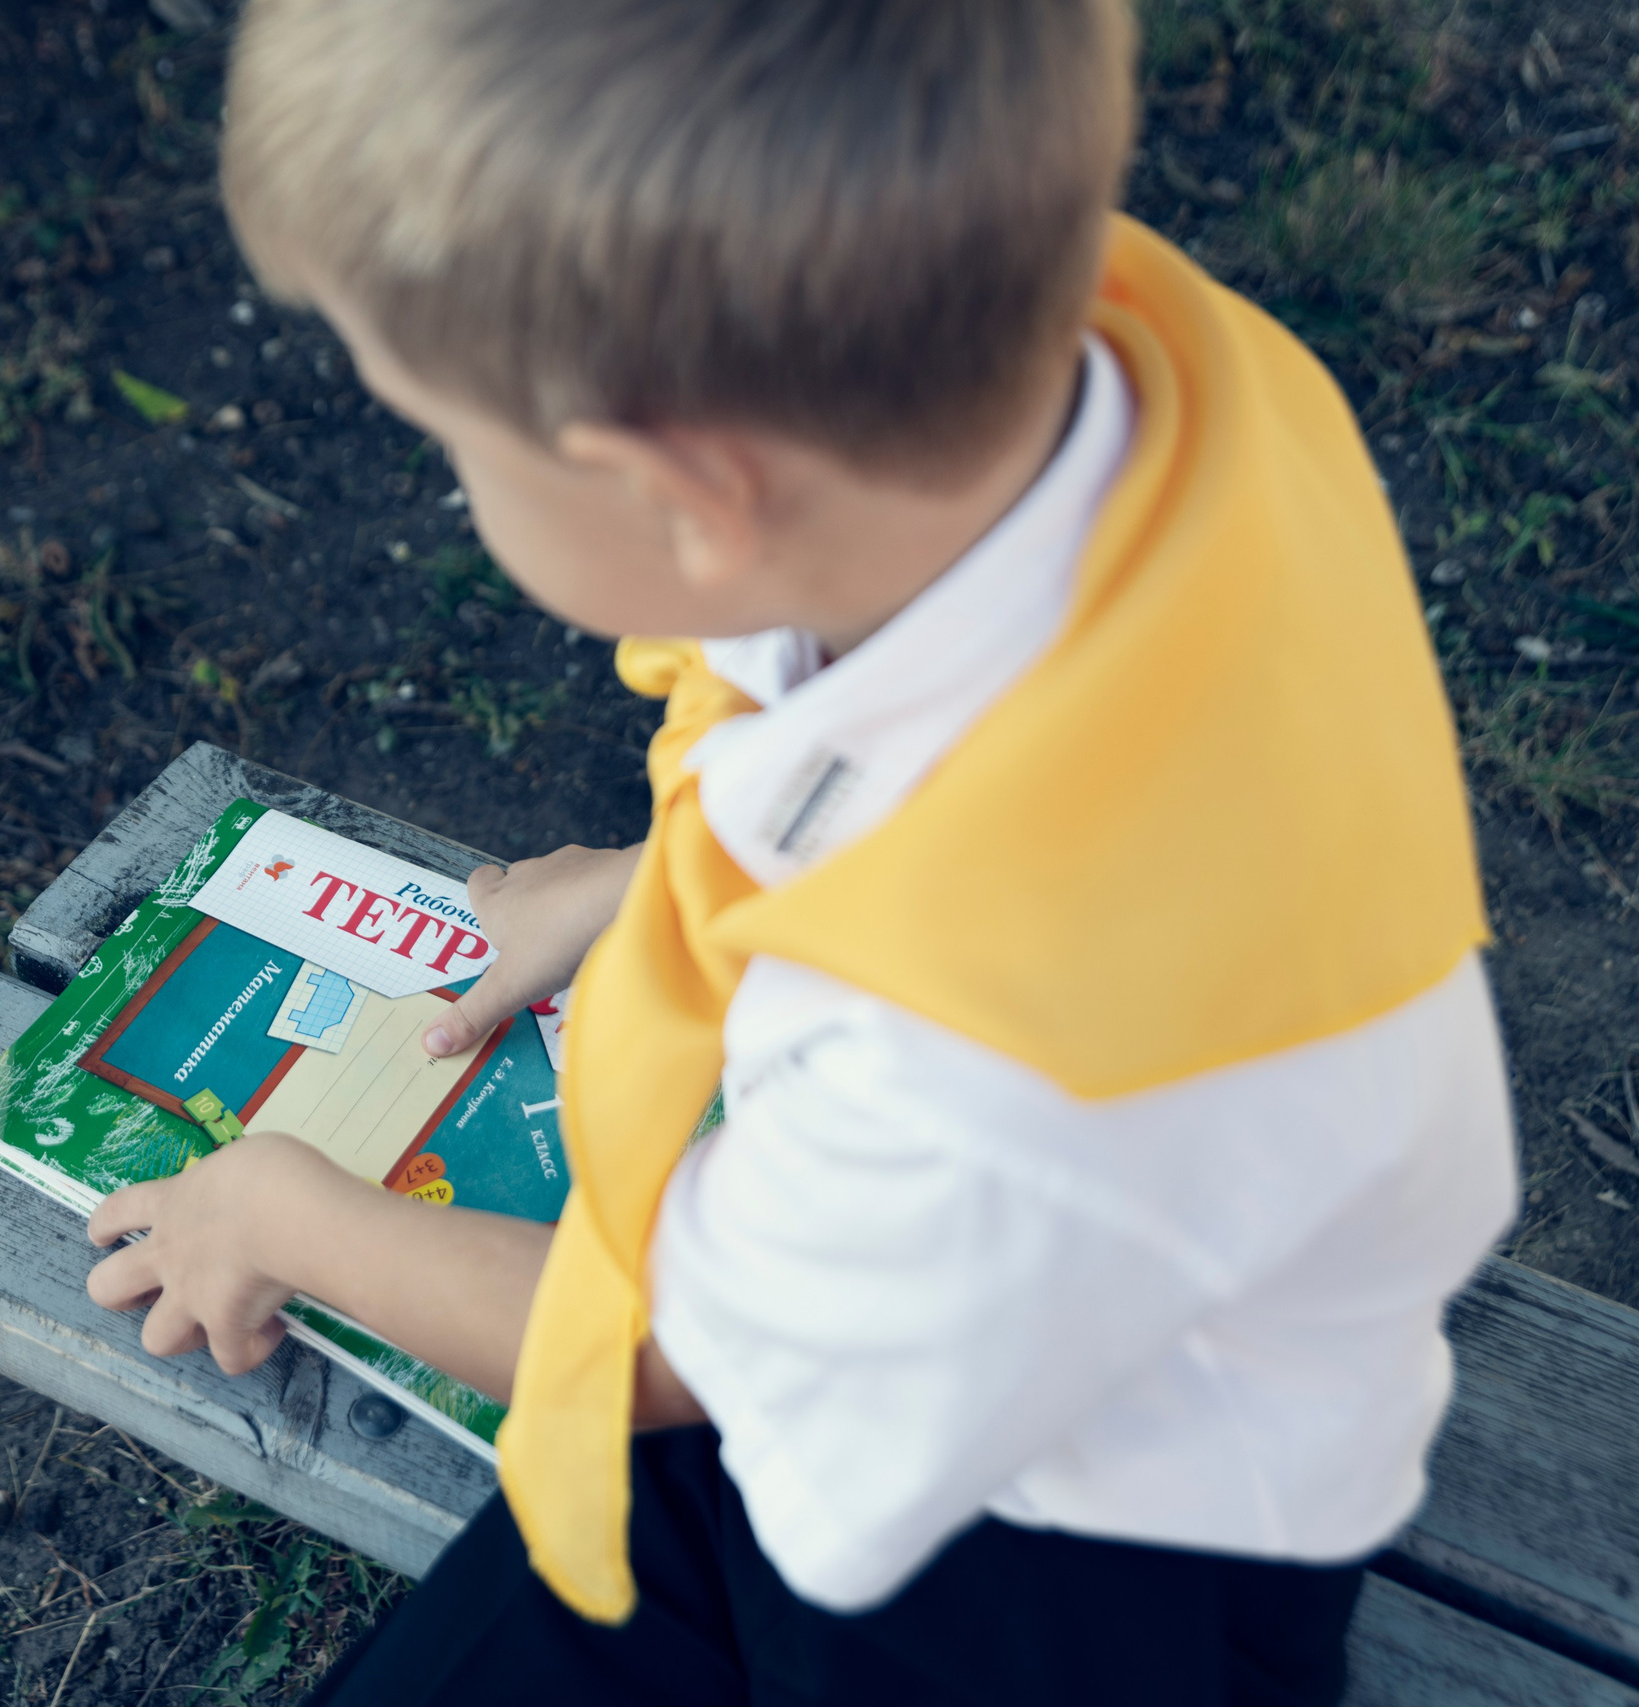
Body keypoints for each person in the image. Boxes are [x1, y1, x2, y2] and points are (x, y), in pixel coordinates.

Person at [81, 2, 1518, 1702]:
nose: (454, 484)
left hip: (1072, 1554)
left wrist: (286, 1216)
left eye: (452, 442)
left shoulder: (986, 1048)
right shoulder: (1138, 374)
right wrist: (658, 881)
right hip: (960, 1318)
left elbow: (674, 1353)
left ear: (687, 492)